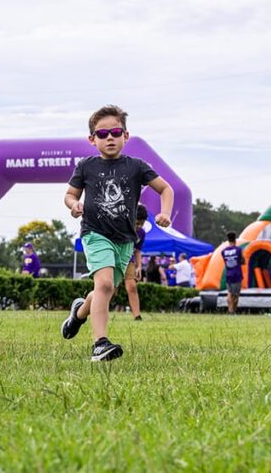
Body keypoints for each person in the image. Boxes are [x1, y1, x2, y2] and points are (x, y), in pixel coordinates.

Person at [61, 104, 175, 362]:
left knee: (107, 288)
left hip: (124, 239)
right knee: (103, 284)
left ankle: (79, 313)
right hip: (95, 233)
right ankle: (99, 344)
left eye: (115, 132)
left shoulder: (136, 166)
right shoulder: (86, 166)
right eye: (102, 134)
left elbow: (166, 189)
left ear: (126, 135)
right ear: (92, 140)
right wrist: (74, 204)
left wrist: (165, 213)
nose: (109, 137)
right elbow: (69, 195)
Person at [123, 205, 148, 320]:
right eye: (137, 223)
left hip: (129, 260)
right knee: (110, 289)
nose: (139, 226)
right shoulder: (122, 227)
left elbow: (137, 251)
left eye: (141, 224)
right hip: (114, 259)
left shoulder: (141, 233)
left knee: (132, 286)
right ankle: (96, 309)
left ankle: (137, 316)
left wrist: (139, 266)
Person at [220, 232, 245, 314]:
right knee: (236, 294)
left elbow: (225, 261)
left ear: (228, 240)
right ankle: (233, 310)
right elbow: (243, 261)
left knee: (229, 292)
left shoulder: (223, 251)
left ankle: (230, 310)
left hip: (228, 274)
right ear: (235, 239)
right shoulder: (238, 250)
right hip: (237, 274)